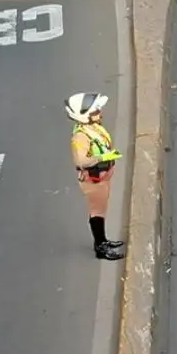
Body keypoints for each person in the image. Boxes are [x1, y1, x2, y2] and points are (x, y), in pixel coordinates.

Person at [66, 92, 126, 261]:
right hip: (94, 180)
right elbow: (81, 160)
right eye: (95, 112)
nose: (100, 114)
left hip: (102, 176)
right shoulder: (81, 136)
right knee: (97, 212)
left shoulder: (92, 129)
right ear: (84, 116)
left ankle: (103, 241)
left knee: (102, 210)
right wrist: (102, 158)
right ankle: (100, 247)